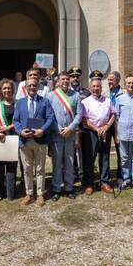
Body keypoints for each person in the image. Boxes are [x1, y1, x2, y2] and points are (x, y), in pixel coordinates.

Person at [13, 78, 54, 207]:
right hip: (25, 140)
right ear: (25, 88)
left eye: (34, 85)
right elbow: (15, 121)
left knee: (40, 168)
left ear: (38, 87)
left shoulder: (45, 101)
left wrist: (42, 130)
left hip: (40, 139)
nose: (32, 87)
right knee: (27, 168)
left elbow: (50, 118)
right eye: (29, 85)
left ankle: (40, 194)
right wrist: (20, 132)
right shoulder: (20, 103)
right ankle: (29, 193)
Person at [46, 71, 83, 201]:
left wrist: (70, 128)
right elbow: (49, 115)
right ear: (58, 82)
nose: (65, 81)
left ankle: (69, 188)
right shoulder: (51, 96)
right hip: (56, 135)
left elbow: (79, 115)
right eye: (63, 79)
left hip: (70, 134)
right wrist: (58, 129)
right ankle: (56, 189)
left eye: (67, 79)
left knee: (69, 162)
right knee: (57, 163)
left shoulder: (76, 95)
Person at [80, 78, 116, 195]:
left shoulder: (108, 100)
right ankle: (89, 184)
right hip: (91, 133)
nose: (96, 89)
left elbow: (113, 115)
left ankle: (104, 182)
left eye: (98, 86)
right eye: (93, 86)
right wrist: (97, 129)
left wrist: (106, 127)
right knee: (90, 158)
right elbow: (85, 120)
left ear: (101, 88)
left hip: (105, 131)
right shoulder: (85, 102)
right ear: (90, 88)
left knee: (105, 157)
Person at [0, 79, 18, 201]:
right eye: (4, 88)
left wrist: (8, 127)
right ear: (1, 90)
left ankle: (10, 192)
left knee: (11, 165)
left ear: (12, 90)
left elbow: (19, 120)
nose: (7, 90)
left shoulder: (17, 103)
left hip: (12, 137)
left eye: (9, 88)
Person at [107, 71, 124, 184]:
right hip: (108, 125)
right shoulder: (105, 93)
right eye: (108, 80)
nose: (109, 82)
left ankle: (121, 176)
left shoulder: (123, 93)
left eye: (111, 80)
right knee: (105, 151)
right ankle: (106, 176)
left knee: (120, 152)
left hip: (119, 125)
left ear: (118, 81)